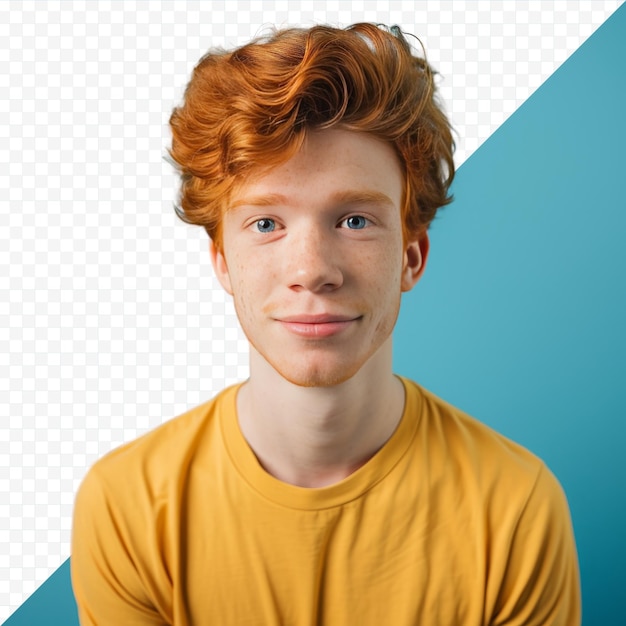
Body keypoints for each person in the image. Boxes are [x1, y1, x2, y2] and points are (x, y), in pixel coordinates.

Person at [71, 23, 581, 625]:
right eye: (266, 224)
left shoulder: (516, 508)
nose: (312, 271)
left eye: (355, 220)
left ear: (412, 256)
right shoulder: (127, 506)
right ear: (222, 262)